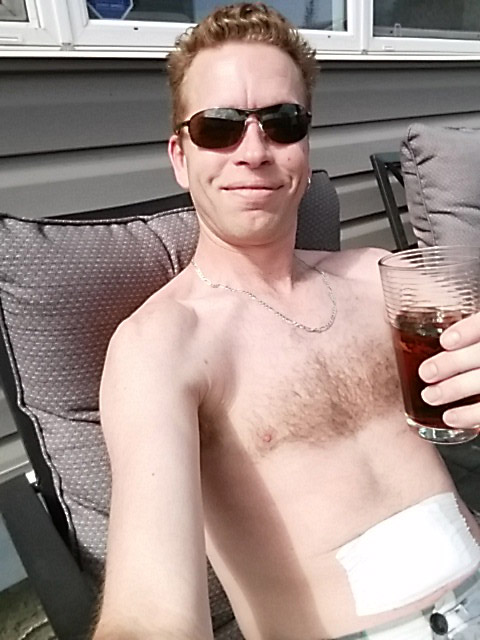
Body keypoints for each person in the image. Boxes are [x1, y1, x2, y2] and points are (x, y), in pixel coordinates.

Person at [93, 4, 480, 639]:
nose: (254, 152)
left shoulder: (381, 277)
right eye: (218, 127)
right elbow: (150, 611)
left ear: (305, 143)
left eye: (282, 122)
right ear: (180, 157)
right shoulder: (162, 345)